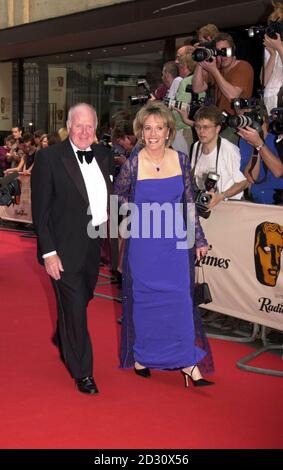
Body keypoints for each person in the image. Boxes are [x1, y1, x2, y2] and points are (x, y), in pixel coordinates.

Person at [114, 101, 214, 387]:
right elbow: (118, 195)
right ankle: (142, 356)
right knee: (146, 302)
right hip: (145, 245)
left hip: (175, 244)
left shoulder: (181, 160)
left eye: (159, 128)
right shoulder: (134, 163)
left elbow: (189, 202)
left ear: (169, 131)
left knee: (180, 301)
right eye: (147, 128)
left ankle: (188, 362)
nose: (153, 134)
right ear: (141, 132)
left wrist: (200, 238)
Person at [31, 103, 117, 395]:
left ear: (96, 129)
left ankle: (62, 332)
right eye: (78, 126)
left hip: (94, 246)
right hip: (63, 249)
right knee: (76, 308)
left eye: (89, 126)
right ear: (68, 126)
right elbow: (40, 213)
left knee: (84, 297)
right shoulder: (48, 158)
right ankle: (83, 372)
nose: (83, 132)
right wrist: (48, 252)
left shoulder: (105, 155)